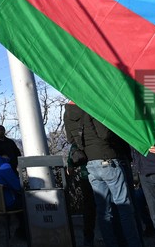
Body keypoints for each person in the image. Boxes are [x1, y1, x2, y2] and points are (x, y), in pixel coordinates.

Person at [83, 111, 142, 247]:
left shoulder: (79, 113)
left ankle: (111, 242)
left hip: (91, 163)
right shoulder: (97, 110)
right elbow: (104, 134)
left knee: (104, 210)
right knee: (124, 206)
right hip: (108, 159)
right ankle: (133, 243)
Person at [64, 101, 98, 246]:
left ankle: (88, 238)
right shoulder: (91, 110)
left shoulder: (69, 116)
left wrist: (70, 163)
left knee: (89, 207)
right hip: (100, 160)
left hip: (85, 171)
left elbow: (73, 144)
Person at [0, 154, 27, 239]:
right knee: (27, 202)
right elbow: (18, 186)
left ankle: (19, 231)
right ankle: (23, 232)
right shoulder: (4, 166)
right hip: (8, 203)